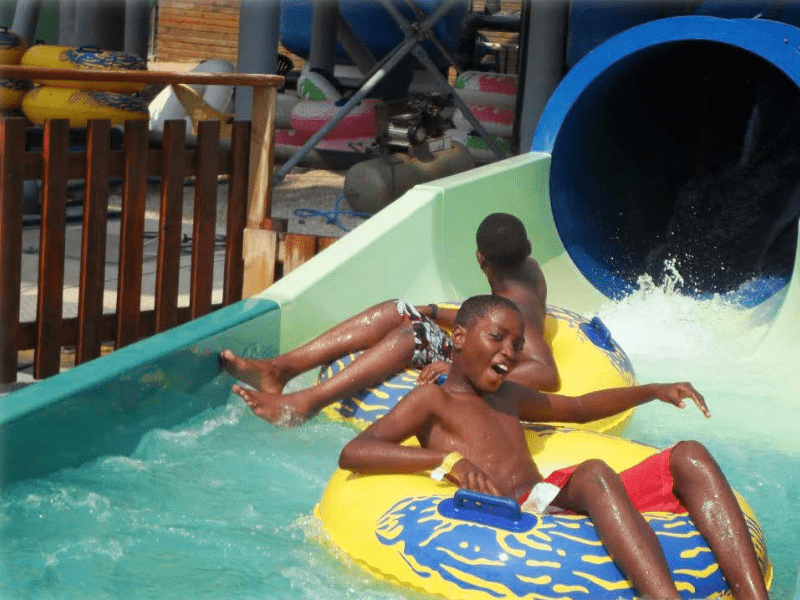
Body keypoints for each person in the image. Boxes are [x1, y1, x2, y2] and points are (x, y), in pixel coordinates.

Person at [339, 295, 769, 600]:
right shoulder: (433, 399)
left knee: (689, 454)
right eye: (497, 337)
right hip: (507, 513)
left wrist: (652, 390)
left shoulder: (508, 395)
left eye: (518, 344)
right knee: (595, 471)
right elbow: (357, 451)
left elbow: (580, 407)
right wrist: (446, 460)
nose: (510, 351)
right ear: (460, 337)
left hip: (545, 496)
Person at [220, 213, 559, 425]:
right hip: (488, 334)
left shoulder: (516, 310)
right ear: (527, 248)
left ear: (480, 258)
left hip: (477, 364)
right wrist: (435, 312)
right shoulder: (527, 273)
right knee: (397, 309)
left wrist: (461, 368)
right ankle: (280, 369)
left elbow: (546, 371)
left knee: (413, 335)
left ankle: (308, 401)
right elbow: (490, 313)